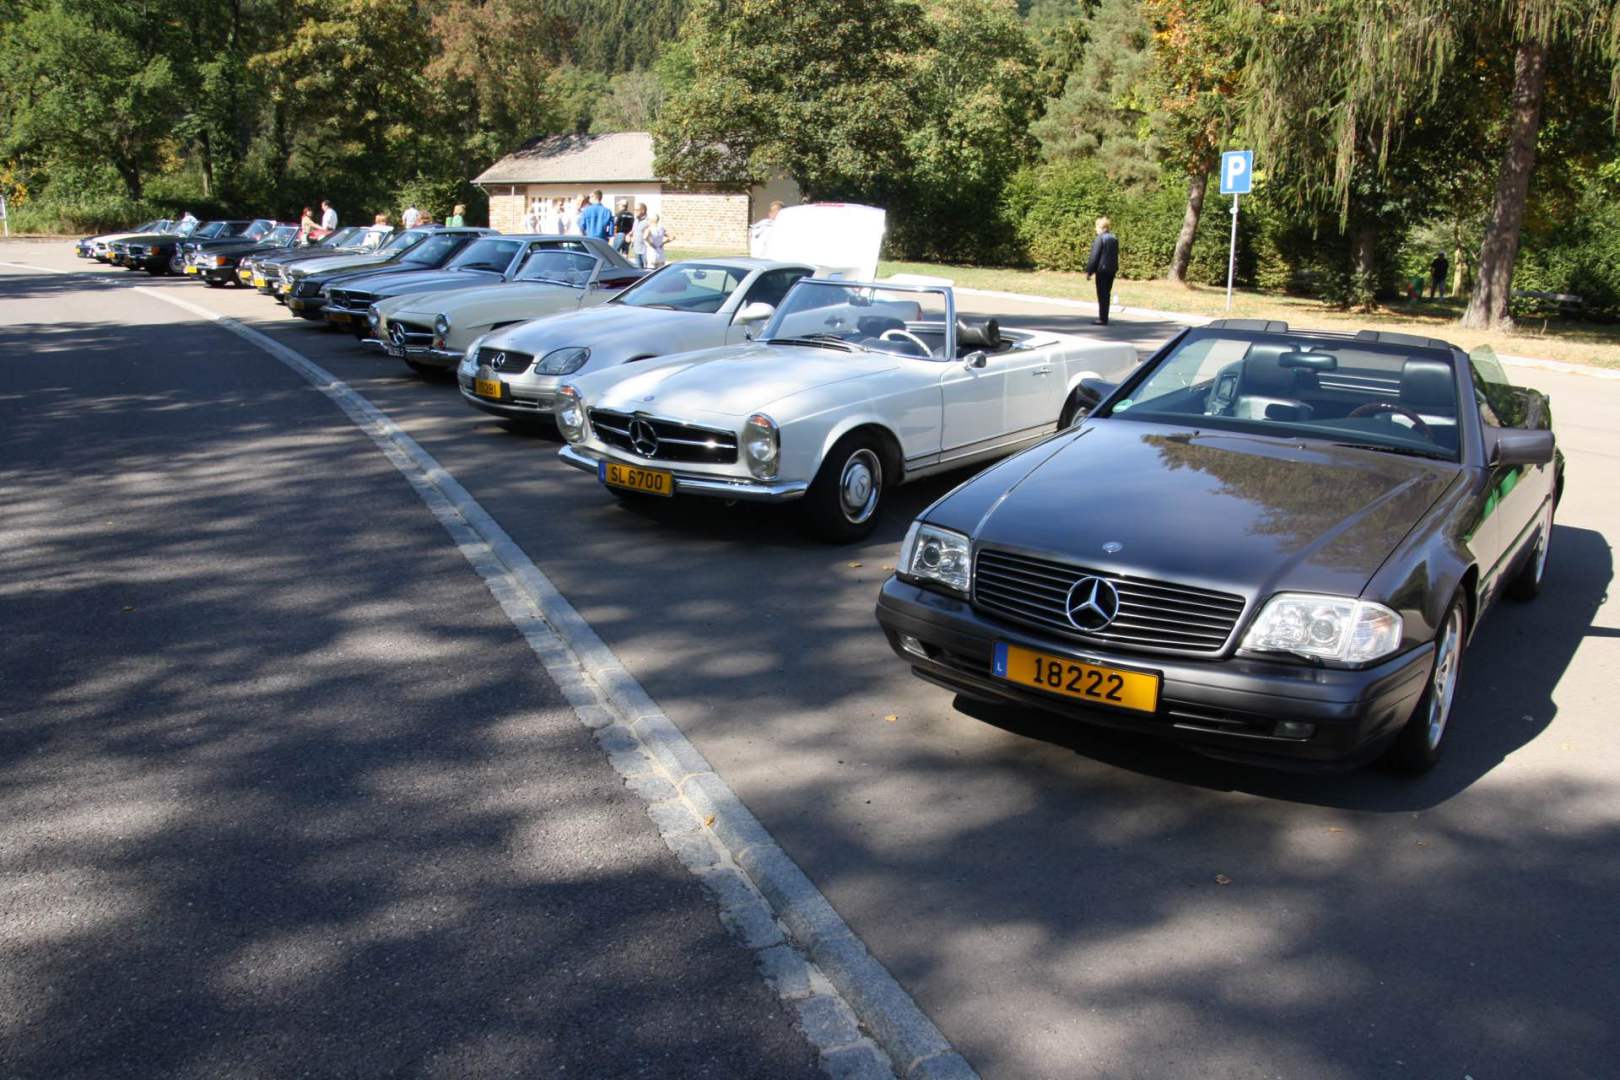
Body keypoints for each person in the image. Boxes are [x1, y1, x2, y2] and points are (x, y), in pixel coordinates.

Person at [1083, 216, 1119, 326]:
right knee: (1107, 293)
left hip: (1102, 270)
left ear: (1101, 227)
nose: (1096, 229)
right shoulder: (1114, 238)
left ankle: (1102, 319)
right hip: (1112, 269)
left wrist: (1089, 271)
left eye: (1096, 227)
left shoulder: (1100, 238)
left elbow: (1094, 256)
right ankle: (1104, 317)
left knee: (1102, 294)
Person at [630, 203, 650, 268]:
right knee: (639, 270)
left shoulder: (648, 222)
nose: (635, 212)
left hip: (645, 250)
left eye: (637, 210)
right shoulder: (636, 220)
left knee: (647, 269)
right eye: (634, 210)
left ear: (643, 211)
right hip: (636, 249)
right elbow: (633, 231)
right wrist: (630, 235)